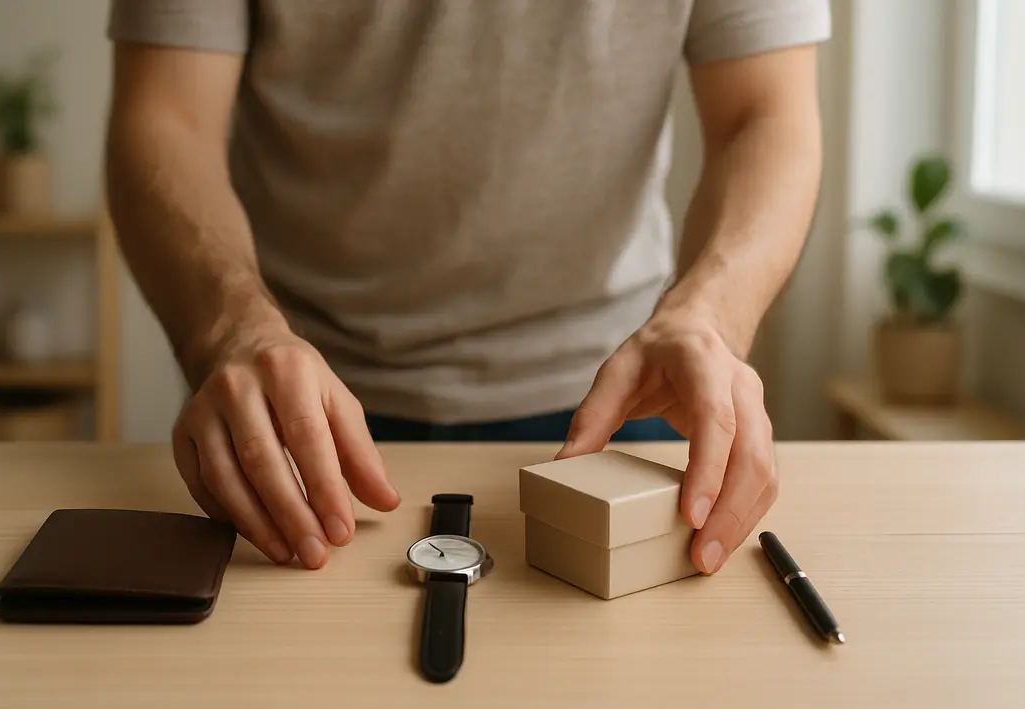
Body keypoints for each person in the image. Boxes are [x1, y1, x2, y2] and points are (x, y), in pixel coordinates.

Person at [104, 0, 829, 577]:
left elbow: (766, 115)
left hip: (623, 397)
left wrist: (710, 317)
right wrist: (234, 330)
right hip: (299, 406)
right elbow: (166, 118)